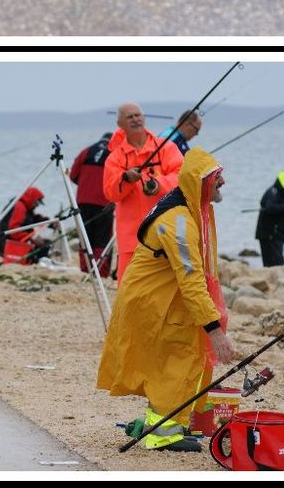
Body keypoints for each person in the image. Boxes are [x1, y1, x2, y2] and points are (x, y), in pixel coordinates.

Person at [96, 147, 237, 452]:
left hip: (163, 298)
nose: (223, 181)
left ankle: (166, 424)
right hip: (152, 302)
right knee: (173, 359)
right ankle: (162, 433)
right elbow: (191, 277)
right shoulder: (179, 221)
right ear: (200, 183)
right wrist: (214, 330)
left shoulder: (191, 207)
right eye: (217, 177)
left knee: (176, 360)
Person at [103, 102, 183, 281]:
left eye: (138, 115)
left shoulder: (166, 148)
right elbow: (110, 193)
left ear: (144, 118)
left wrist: (157, 184)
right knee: (129, 289)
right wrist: (126, 179)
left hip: (165, 233)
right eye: (129, 117)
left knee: (165, 287)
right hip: (131, 237)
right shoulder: (115, 158)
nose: (135, 119)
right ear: (120, 125)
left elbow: (182, 176)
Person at [70, 132, 114, 276]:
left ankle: (86, 268)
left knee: (86, 237)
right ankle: (100, 271)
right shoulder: (115, 153)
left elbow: (73, 175)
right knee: (102, 238)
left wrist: (85, 185)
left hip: (83, 201)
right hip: (104, 202)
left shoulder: (86, 151)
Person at [0, 186, 55, 264]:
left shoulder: (24, 206)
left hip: (8, 240)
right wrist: (32, 238)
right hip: (7, 243)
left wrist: (50, 223)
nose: (36, 206)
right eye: (36, 203)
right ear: (32, 199)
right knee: (44, 246)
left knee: (46, 243)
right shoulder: (19, 207)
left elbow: (34, 219)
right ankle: (39, 262)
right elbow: (14, 231)